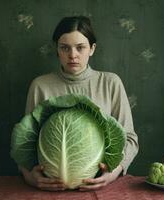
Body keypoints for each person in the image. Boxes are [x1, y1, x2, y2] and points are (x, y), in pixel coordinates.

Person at [18, 16, 139, 191]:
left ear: (92, 49)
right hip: (48, 189)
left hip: (100, 188)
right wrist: (30, 177)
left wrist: (112, 175)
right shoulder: (40, 86)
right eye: (65, 48)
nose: (72, 55)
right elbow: (25, 142)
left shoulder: (110, 83)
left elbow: (130, 139)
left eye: (80, 47)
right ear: (57, 50)